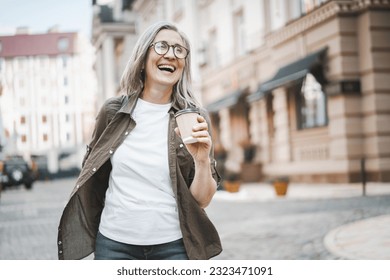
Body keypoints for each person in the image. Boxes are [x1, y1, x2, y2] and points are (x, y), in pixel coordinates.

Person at [57, 21, 222, 260]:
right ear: (143, 56)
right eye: (162, 46)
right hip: (114, 246)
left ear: (185, 64)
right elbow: (93, 175)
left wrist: (202, 160)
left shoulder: (194, 118)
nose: (171, 55)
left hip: (174, 247)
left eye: (179, 50)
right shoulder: (113, 112)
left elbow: (202, 200)